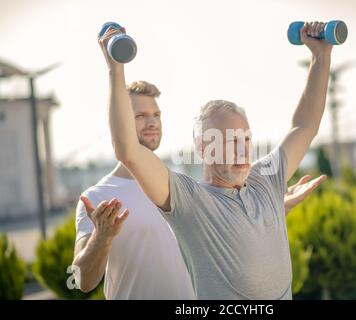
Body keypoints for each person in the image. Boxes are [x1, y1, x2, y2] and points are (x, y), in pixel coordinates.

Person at [101, 20, 332, 299]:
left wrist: (321, 56)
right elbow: (128, 150)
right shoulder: (190, 200)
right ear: (203, 148)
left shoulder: (267, 178)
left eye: (246, 139)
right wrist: (116, 69)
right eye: (230, 141)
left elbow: (304, 125)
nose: (243, 150)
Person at [72, 79, 326, 299]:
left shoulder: (186, 188)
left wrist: (274, 207)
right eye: (139, 116)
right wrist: (102, 237)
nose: (151, 122)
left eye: (156, 115)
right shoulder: (99, 197)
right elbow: (82, 280)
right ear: (119, 121)